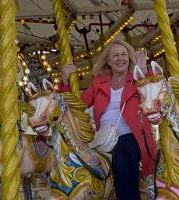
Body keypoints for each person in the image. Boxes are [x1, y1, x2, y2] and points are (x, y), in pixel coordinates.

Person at [60, 40, 157, 200]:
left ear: (129, 58)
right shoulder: (99, 83)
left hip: (133, 136)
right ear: (108, 61)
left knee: (121, 156)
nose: (120, 59)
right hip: (104, 138)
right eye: (115, 55)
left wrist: (144, 71)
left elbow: (152, 91)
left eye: (124, 55)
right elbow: (79, 104)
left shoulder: (137, 78)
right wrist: (65, 82)